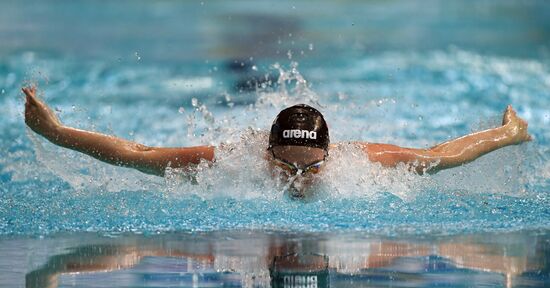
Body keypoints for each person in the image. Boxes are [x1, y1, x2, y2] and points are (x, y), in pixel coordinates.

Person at [22, 86, 532, 185]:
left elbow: (441, 154)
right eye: (284, 166)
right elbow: (140, 153)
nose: (298, 180)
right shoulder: (229, 164)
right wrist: (56, 133)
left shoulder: (366, 166)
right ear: (265, 152)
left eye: (312, 168)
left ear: (330, 156)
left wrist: (508, 134)